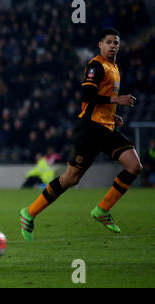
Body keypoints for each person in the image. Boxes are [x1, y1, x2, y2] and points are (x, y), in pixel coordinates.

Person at [19, 29, 143, 242]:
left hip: (107, 127)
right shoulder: (96, 65)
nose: (113, 46)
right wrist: (115, 101)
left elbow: (100, 100)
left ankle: (102, 210)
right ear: (100, 44)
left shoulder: (114, 67)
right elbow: (87, 95)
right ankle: (29, 213)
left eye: (116, 43)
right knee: (70, 179)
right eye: (109, 42)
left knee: (134, 166)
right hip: (90, 129)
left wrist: (113, 116)